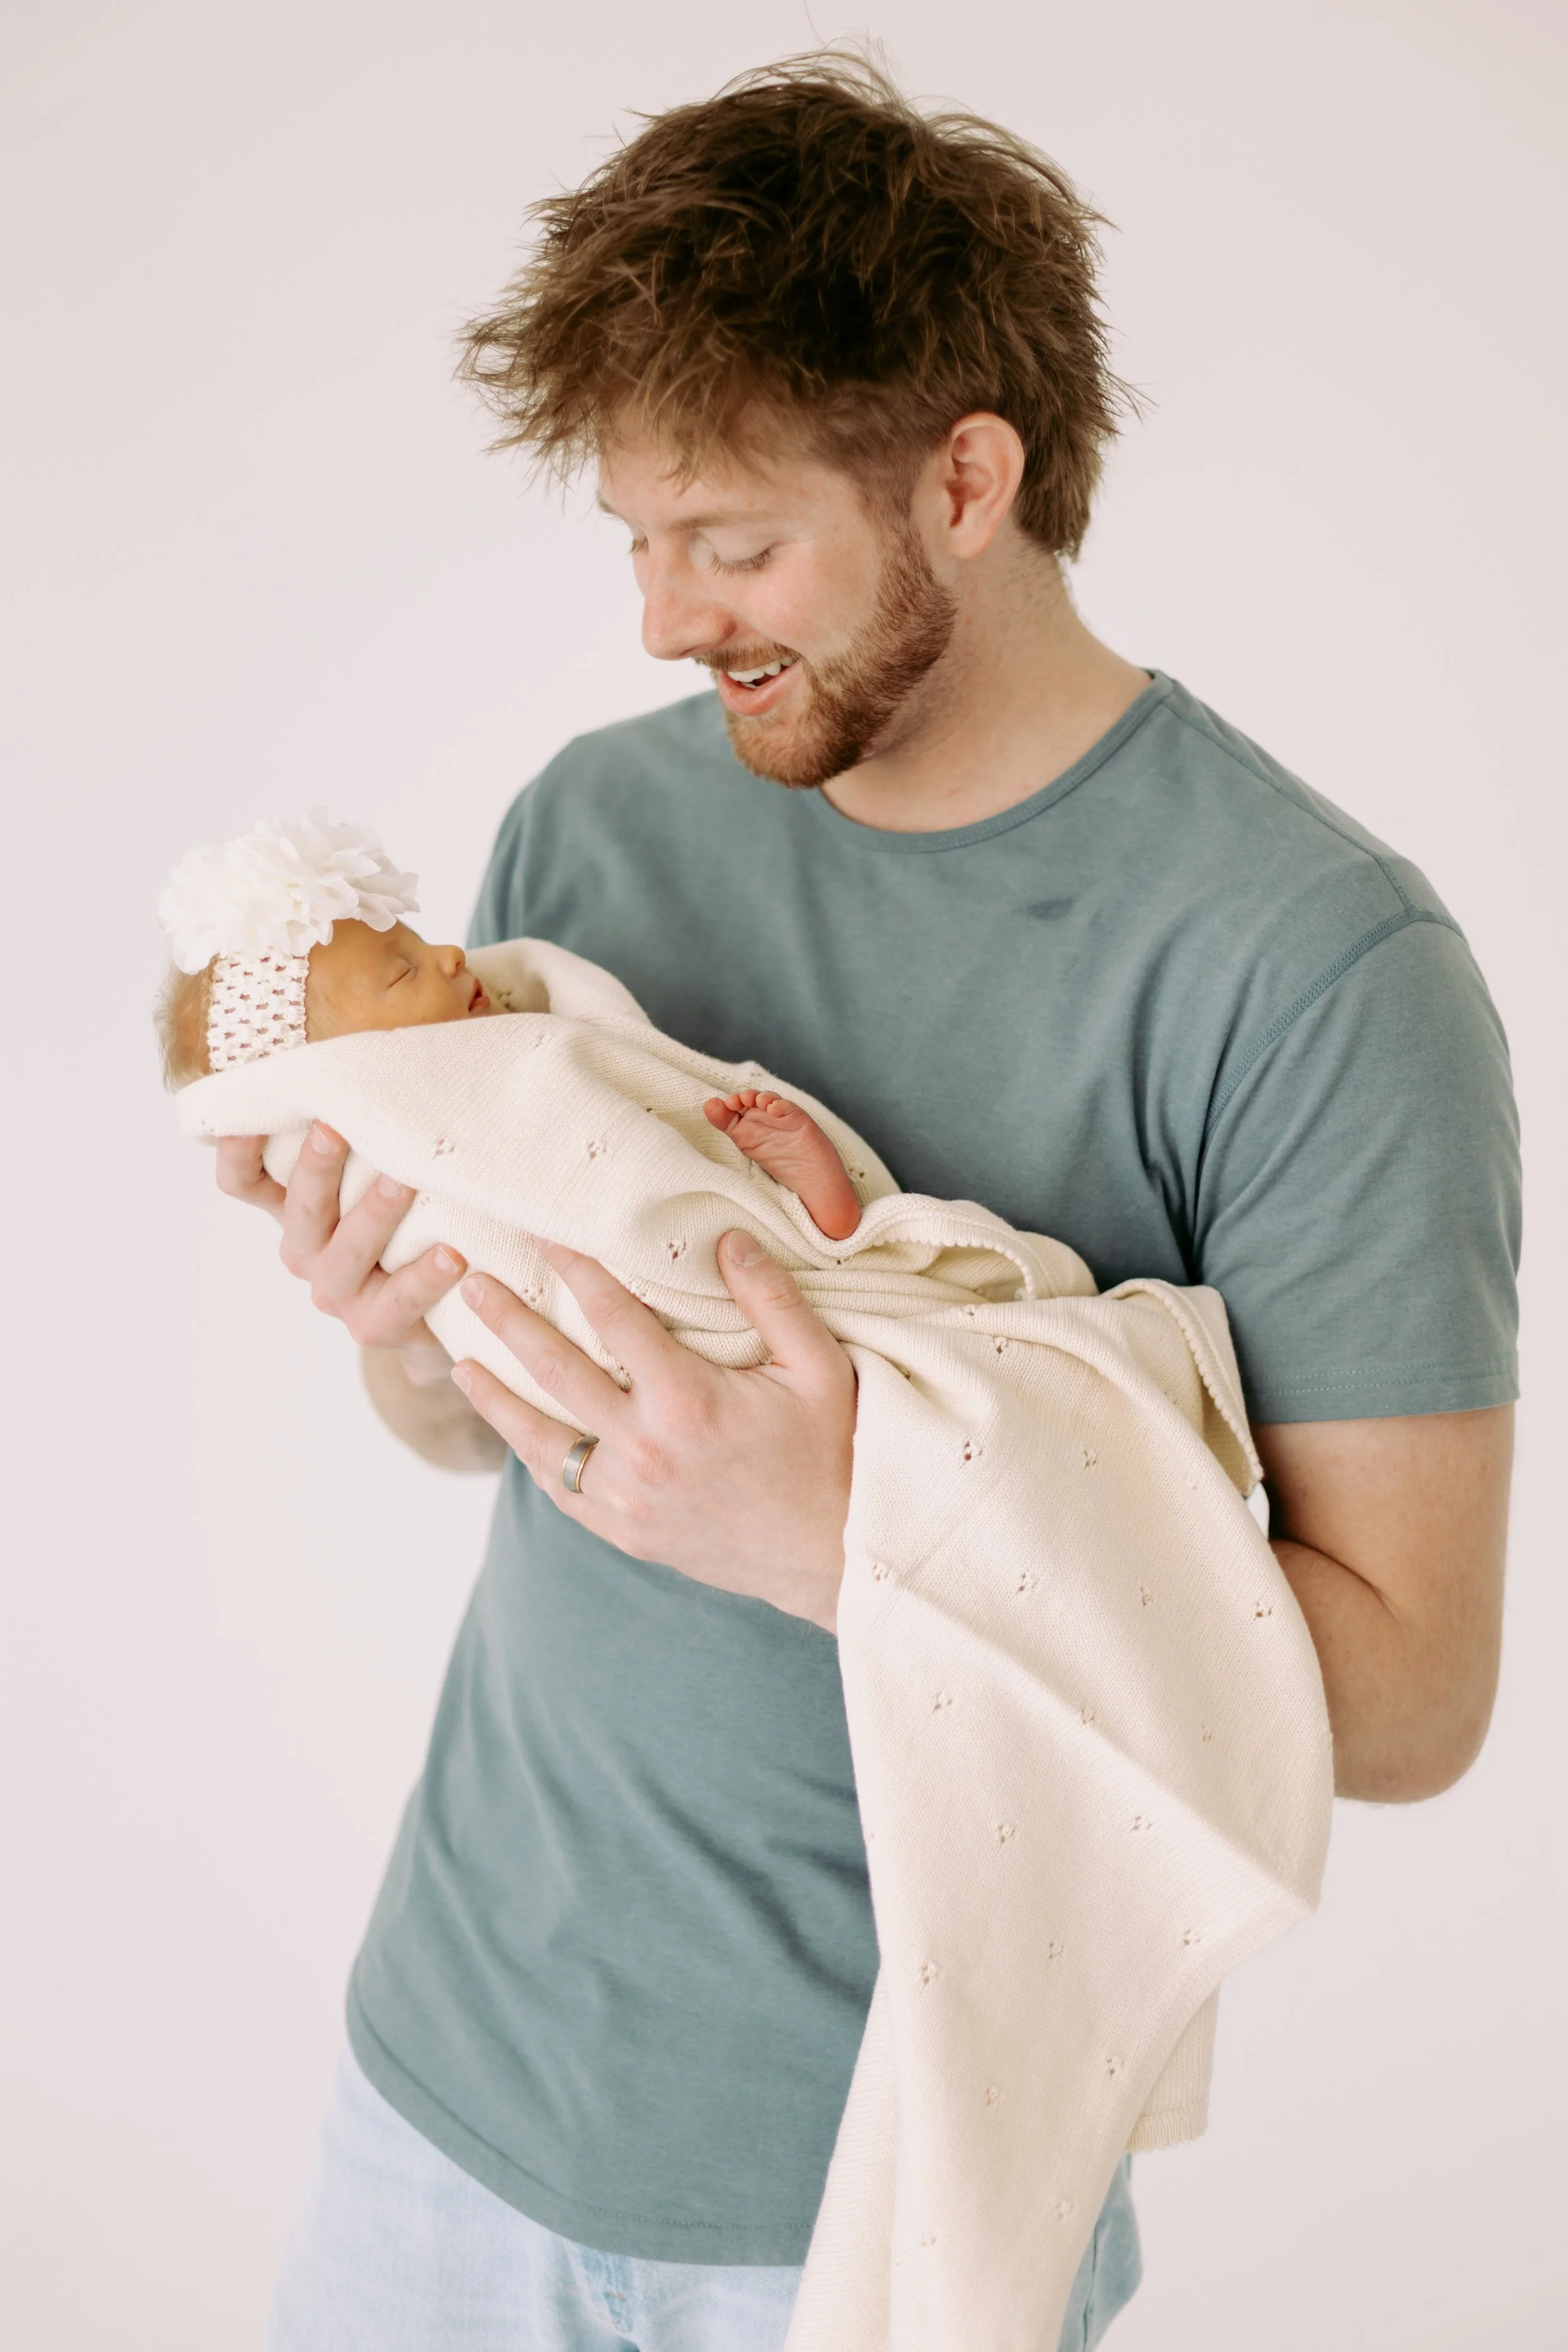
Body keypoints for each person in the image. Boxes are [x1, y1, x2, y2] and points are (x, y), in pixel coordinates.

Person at [221, 55, 1520, 2352]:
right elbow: (507, 1431)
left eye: (727, 544)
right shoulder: (591, 831)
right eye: (630, 538)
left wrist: (864, 1520)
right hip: (434, 2085)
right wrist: (397, 1328)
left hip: (870, 2193)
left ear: (967, 477)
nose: (656, 620)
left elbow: (1411, 1694)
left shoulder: (1315, 962)